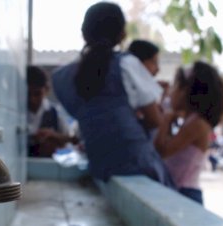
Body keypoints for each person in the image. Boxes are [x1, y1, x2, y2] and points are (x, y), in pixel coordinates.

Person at [51, 2, 174, 188]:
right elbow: (155, 120)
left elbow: (90, 118)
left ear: (84, 33)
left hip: (100, 167)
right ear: (122, 34)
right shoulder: (128, 65)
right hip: (138, 163)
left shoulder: (61, 79)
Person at [154, 61, 223, 204]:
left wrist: (166, 118)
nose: (170, 92)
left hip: (185, 194)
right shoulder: (191, 121)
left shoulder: (196, 124)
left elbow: (161, 150)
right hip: (179, 191)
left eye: (174, 86)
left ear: (185, 91)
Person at [27, 65, 78, 157]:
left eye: (37, 93)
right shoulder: (18, 113)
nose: (32, 99)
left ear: (46, 89)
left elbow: (71, 140)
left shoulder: (55, 113)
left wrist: (53, 135)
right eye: (28, 94)